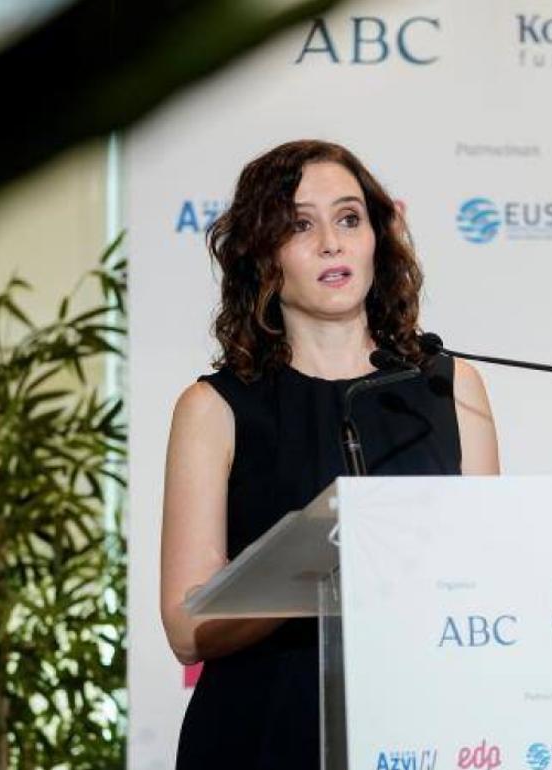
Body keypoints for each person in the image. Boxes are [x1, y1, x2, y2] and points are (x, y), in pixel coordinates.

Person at [160, 140, 499, 769]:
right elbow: (187, 629)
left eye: (348, 219)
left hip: (420, 723)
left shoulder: (452, 387)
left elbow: (484, 586)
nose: (331, 244)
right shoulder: (214, 407)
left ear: (377, 238)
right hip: (265, 727)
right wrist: (312, 573)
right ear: (262, 254)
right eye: (299, 226)